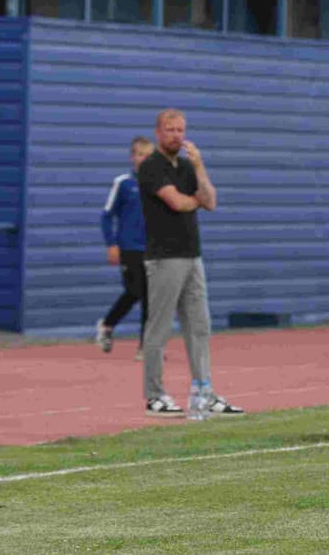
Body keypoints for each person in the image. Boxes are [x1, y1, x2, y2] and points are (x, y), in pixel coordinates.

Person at [138, 109, 243, 420]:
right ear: (158, 133)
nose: (176, 136)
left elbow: (210, 200)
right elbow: (179, 203)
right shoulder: (151, 167)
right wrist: (197, 199)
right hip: (164, 258)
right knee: (159, 327)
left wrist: (199, 166)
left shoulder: (186, 166)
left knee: (199, 325)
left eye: (181, 130)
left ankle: (204, 391)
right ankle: (154, 396)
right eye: (170, 130)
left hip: (192, 256)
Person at [97, 136, 153, 354]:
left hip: (153, 249)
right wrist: (111, 244)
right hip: (129, 248)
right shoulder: (123, 183)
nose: (143, 159)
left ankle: (146, 346)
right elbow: (106, 215)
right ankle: (107, 324)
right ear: (132, 157)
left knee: (152, 297)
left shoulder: (160, 184)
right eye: (139, 154)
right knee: (134, 291)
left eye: (148, 156)